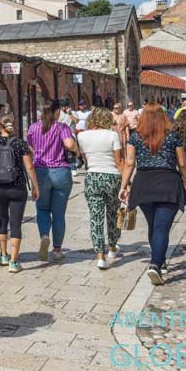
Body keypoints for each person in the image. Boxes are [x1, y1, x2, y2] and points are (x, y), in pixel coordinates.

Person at [119, 104, 186, 285]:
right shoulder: (172, 136)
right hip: (168, 183)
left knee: (154, 225)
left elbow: (129, 163)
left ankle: (160, 260)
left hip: (144, 183)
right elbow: (182, 162)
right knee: (162, 226)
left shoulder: (136, 137)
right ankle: (155, 264)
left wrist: (123, 186)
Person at [27, 101, 77, 261]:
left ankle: (43, 236)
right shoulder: (62, 127)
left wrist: (38, 154)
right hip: (60, 171)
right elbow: (69, 144)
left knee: (42, 209)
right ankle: (57, 249)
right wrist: (77, 149)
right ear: (56, 112)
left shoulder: (33, 127)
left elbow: (29, 146)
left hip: (41, 171)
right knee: (58, 213)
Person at [0, 114, 39, 273]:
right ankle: (13, 261)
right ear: (13, 126)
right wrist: (35, 187)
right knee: (16, 224)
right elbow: (29, 167)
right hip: (17, 188)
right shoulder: (20, 144)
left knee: (2, 220)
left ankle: (3, 255)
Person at [76, 108, 124, 270]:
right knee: (113, 214)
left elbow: (85, 158)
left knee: (96, 217)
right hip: (111, 176)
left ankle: (100, 257)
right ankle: (112, 247)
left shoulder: (81, 136)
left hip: (93, 177)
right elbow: (118, 160)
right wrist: (127, 183)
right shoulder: (112, 135)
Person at [74, 100, 93, 170]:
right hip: (78, 131)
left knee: (86, 147)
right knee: (79, 147)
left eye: (82, 105)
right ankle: (80, 160)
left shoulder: (89, 112)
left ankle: (86, 162)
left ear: (85, 105)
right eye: (80, 105)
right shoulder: (76, 113)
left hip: (86, 131)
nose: (81, 106)